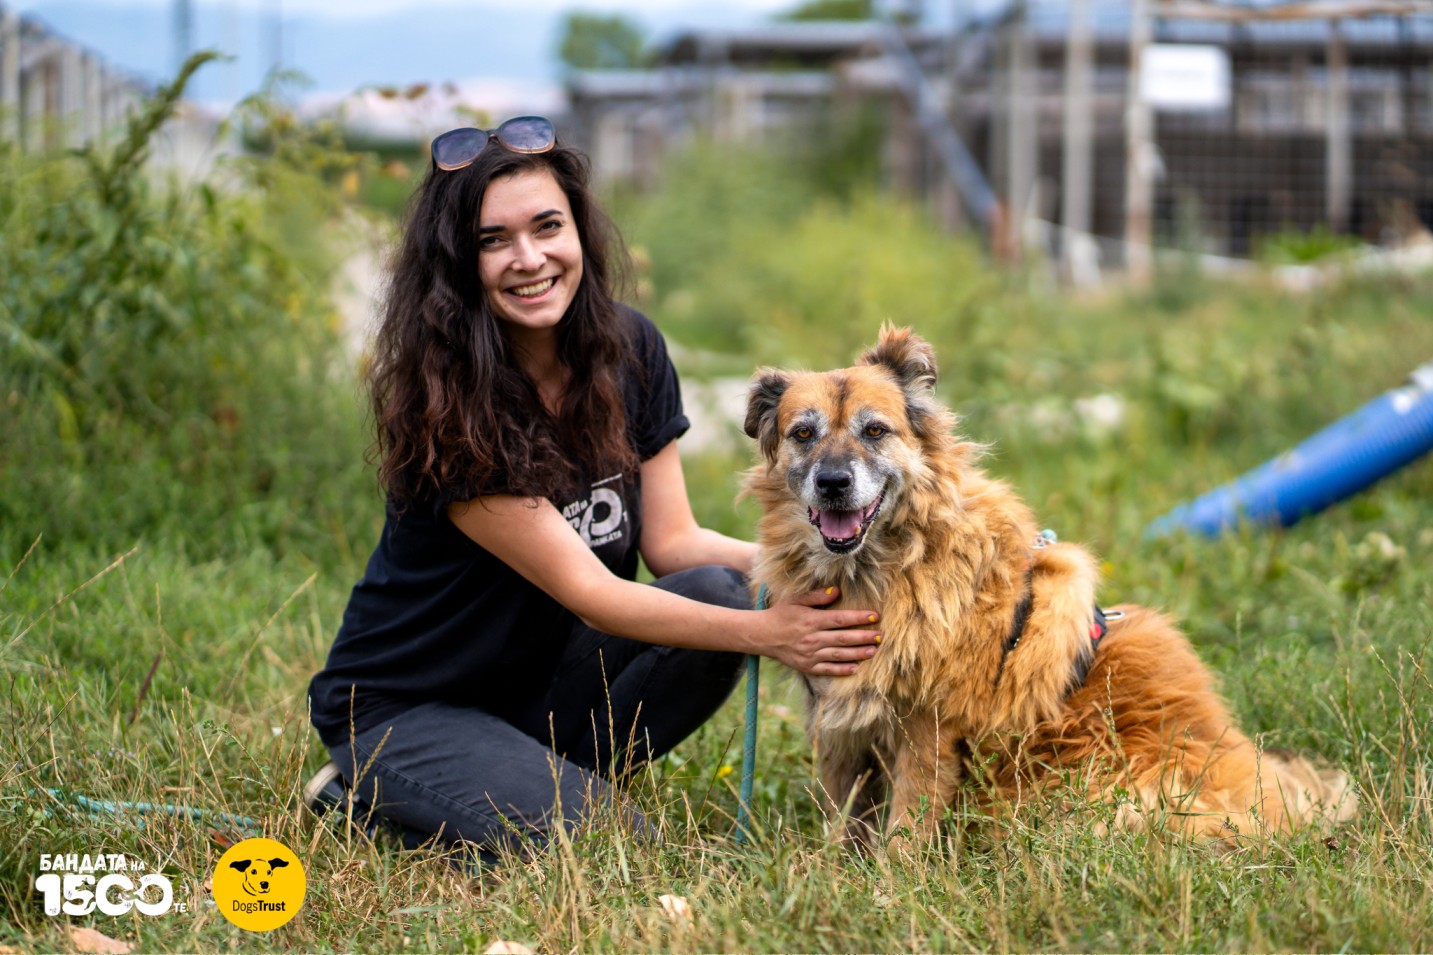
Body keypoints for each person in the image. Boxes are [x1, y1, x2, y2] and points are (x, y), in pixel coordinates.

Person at [304, 116, 882, 863]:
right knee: (615, 845)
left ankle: (529, 786)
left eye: (548, 226)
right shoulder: (447, 400)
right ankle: (369, 800)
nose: (529, 258)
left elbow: (674, 543)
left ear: (579, 229)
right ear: (458, 263)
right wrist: (773, 633)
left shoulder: (630, 349)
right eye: (492, 240)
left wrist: (842, 571)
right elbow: (592, 592)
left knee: (716, 588)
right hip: (407, 706)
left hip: (535, 687)